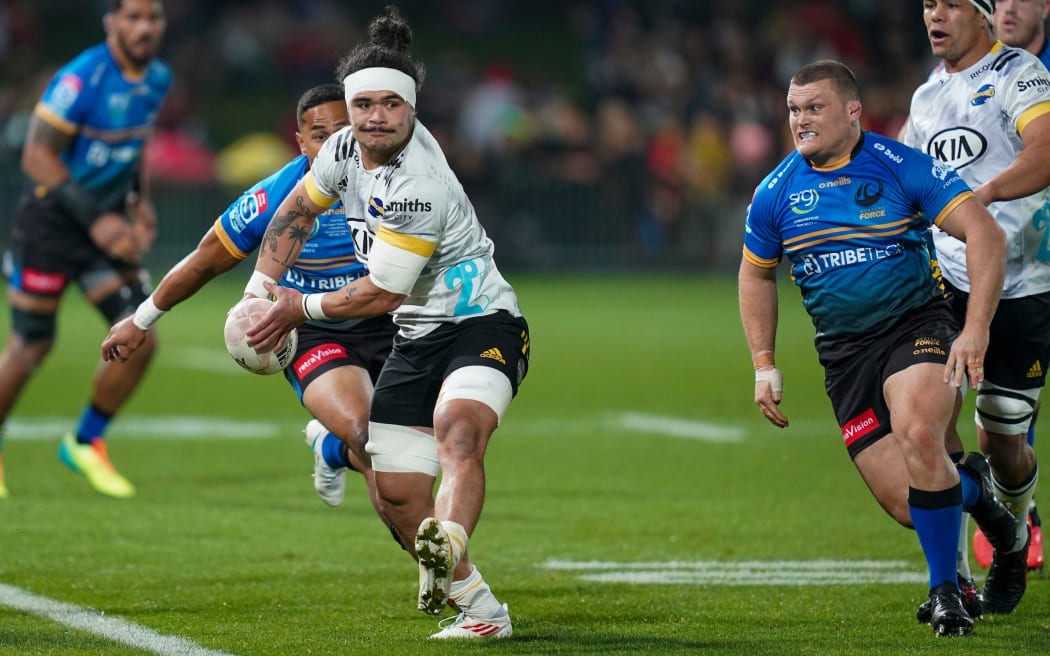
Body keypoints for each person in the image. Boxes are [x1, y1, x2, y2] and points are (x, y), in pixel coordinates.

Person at [241, 6, 530, 640]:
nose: (376, 116)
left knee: (458, 435)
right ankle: (481, 610)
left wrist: (294, 307)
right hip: (416, 337)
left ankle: (447, 542)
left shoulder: (416, 183)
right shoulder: (342, 149)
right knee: (395, 493)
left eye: (390, 106)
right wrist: (261, 287)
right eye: (364, 104)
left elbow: (377, 293)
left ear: (412, 110)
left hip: (481, 323)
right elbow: (297, 209)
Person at [740, 59, 1014, 636]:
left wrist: (976, 328)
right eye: (794, 109)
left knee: (919, 431)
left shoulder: (901, 167)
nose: (801, 120)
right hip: (844, 357)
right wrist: (764, 364)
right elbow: (756, 276)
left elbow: (984, 234)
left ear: (851, 111)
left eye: (814, 107)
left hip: (917, 327)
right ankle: (979, 491)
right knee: (906, 504)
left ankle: (946, 593)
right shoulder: (775, 194)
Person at [101, 84, 397, 518]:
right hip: (312, 330)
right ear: (301, 142)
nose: (334, 144)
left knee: (425, 445)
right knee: (371, 442)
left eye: (343, 131)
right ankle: (445, 575)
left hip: (391, 321)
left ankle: (330, 449)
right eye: (320, 135)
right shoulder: (279, 193)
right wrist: (140, 320)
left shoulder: (400, 186)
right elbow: (204, 260)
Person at [901, 0, 1050, 613]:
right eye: (928, 5)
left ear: (983, 15)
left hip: (1022, 285)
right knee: (930, 427)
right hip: (943, 288)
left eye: (950, 4)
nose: (934, 15)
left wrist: (980, 195)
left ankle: (1012, 542)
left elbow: (1044, 153)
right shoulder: (924, 98)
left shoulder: (1022, 74)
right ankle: (953, 581)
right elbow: (908, 186)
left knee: (1002, 443)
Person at [0, 0, 169, 499]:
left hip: (109, 227)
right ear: (111, 22)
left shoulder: (157, 78)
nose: (143, 27)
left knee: (140, 337)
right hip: (52, 227)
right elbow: (36, 155)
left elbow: (136, 144)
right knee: (32, 345)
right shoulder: (82, 79)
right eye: (133, 17)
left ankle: (84, 442)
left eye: (152, 18)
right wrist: (98, 220)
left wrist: (140, 203)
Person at [970, 0, 1050, 573]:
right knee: (998, 426)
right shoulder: (952, 83)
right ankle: (1021, 518)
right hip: (1015, 275)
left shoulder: (1029, 77)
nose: (1008, 8)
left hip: (1035, 274)